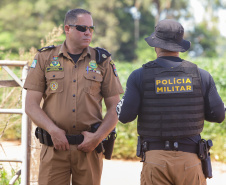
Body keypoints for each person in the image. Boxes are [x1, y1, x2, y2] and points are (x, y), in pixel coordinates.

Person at [116, 19, 225, 185]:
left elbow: (125, 116)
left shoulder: (139, 76)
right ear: (180, 44)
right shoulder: (201, 75)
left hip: (155, 161)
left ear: (156, 45)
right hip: (191, 160)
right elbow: (218, 115)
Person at [24, 8, 123, 185]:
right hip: (54, 147)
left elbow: (116, 108)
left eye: (91, 29)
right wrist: (53, 130)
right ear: (67, 29)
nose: (88, 33)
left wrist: (98, 137)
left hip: (89, 148)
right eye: (82, 28)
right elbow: (31, 105)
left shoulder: (102, 61)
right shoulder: (45, 58)